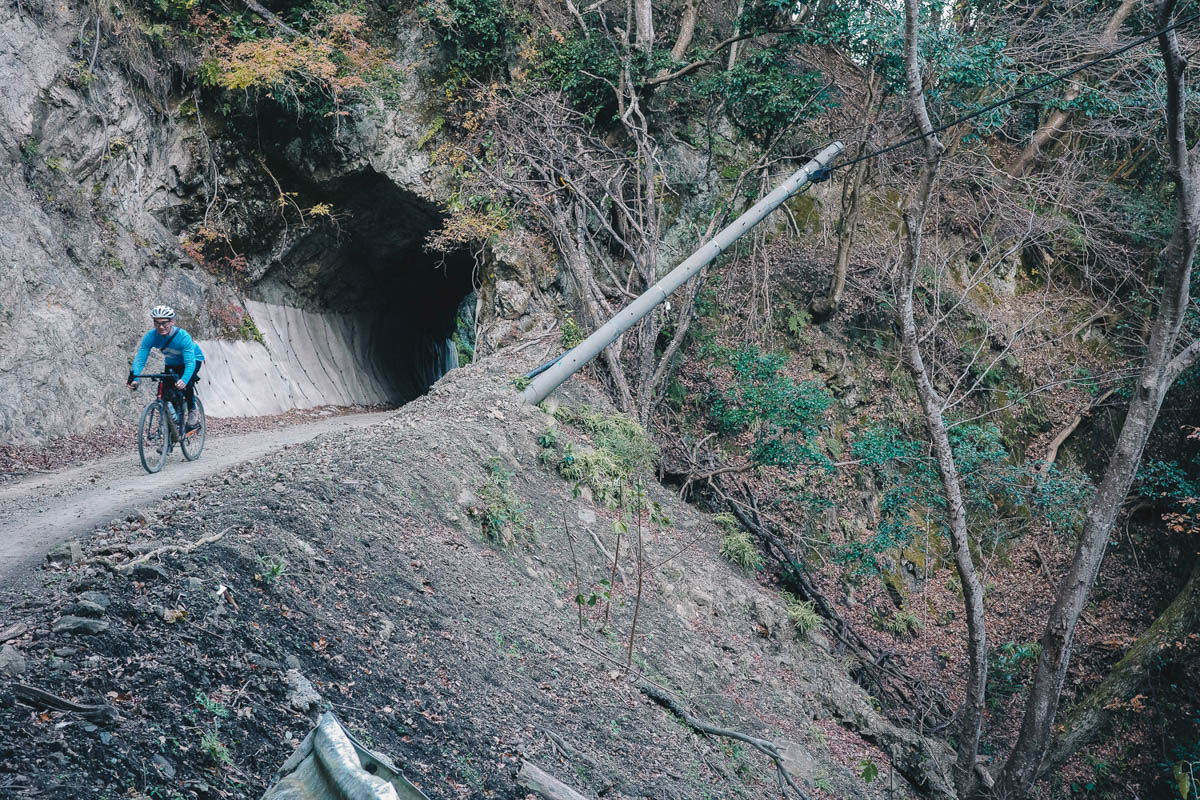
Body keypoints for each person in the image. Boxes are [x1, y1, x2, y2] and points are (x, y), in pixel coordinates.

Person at [126, 305, 206, 430]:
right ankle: (172, 419)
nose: (160, 327)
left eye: (164, 323)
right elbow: (141, 357)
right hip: (172, 362)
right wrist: (134, 376)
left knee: (187, 383)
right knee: (164, 389)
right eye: (157, 323)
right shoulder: (151, 336)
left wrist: (184, 380)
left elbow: (190, 363)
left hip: (193, 359)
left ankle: (192, 411)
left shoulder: (183, 336)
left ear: (172, 321)